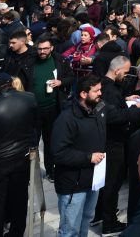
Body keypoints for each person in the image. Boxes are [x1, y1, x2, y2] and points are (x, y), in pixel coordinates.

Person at [0, 72, 39, 237]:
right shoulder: (30, 98)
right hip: (22, 158)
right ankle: (16, 233)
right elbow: (35, 125)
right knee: (19, 201)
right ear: (11, 84)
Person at [95, 55, 140, 234]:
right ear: (117, 71)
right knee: (112, 182)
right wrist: (136, 109)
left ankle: (100, 214)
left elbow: (112, 107)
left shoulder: (107, 86)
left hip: (111, 140)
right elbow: (114, 116)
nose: (126, 76)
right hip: (113, 142)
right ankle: (109, 223)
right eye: (124, 72)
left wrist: (125, 100)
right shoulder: (109, 90)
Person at [52, 75, 108, 237]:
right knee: (70, 230)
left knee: (86, 219)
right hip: (73, 186)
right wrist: (88, 157)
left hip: (92, 181)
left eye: (100, 90)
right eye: (96, 90)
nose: (100, 93)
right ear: (83, 94)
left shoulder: (97, 111)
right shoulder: (66, 119)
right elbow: (58, 153)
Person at [31, 35, 74, 180]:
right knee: (32, 142)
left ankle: (51, 170)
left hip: (53, 108)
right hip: (33, 109)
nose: (42, 51)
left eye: (45, 48)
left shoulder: (60, 60)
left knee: (50, 141)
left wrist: (60, 82)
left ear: (51, 48)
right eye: (40, 49)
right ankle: (30, 174)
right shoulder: (30, 61)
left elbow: (71, 77)